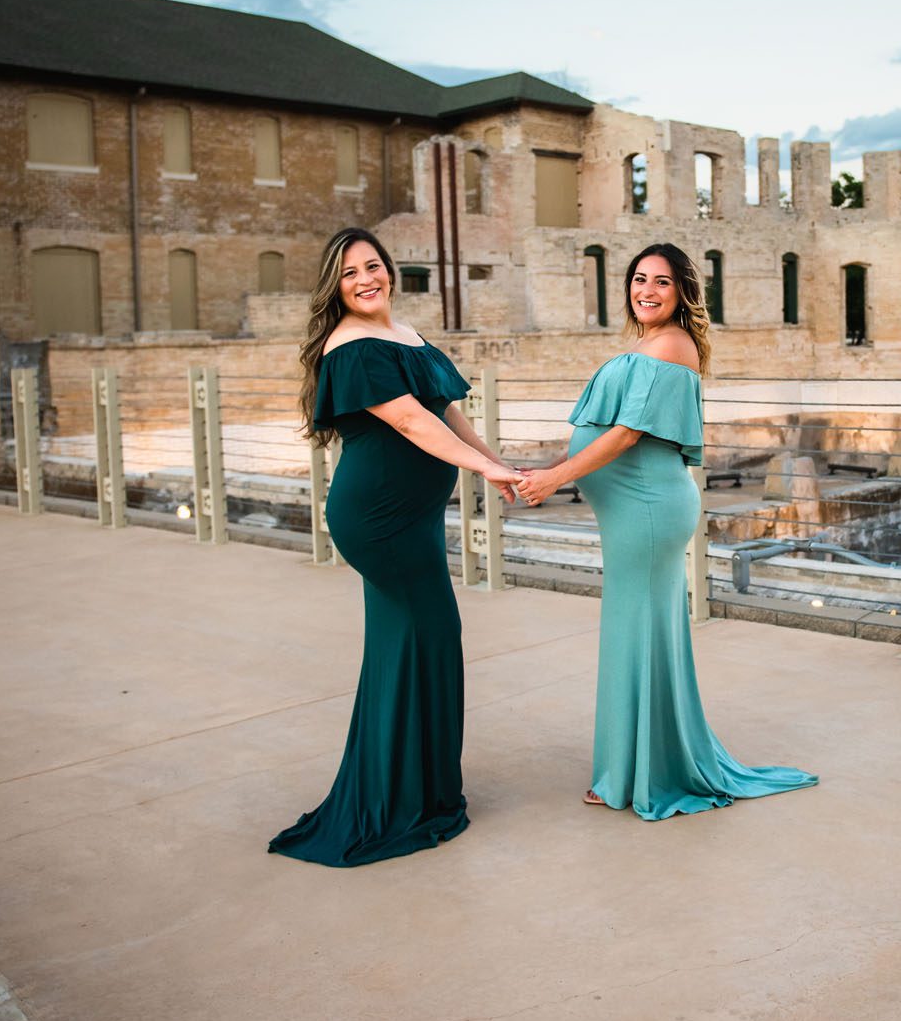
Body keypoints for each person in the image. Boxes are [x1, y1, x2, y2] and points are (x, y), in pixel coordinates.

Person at [516, 243, 817, 818]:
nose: (645, 291)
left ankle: (636, 775)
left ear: (681, 294)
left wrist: (555, 478)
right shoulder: (645, 346)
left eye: (660, 282)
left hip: (650, 508)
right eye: (638, 279)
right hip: (635, 506)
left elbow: (628, 435)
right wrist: (545, 470)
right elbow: (599, 430)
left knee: (637, 633)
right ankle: (633, 767)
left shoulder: (674, 344)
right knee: (634, 633)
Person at [269, 227, 520, 866]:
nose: (365, 279)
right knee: (432, 634)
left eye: (373, 265)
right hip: (377, 518)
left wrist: (502, 465)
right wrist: (486, 473)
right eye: (350, 272)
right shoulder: (349, 346)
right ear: (337, 285)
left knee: (406, 645)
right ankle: (406, 799)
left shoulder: (408, 337)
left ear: (390, 271)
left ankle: (413, 788)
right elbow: (409, 421)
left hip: (414, 517)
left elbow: (446, 415)